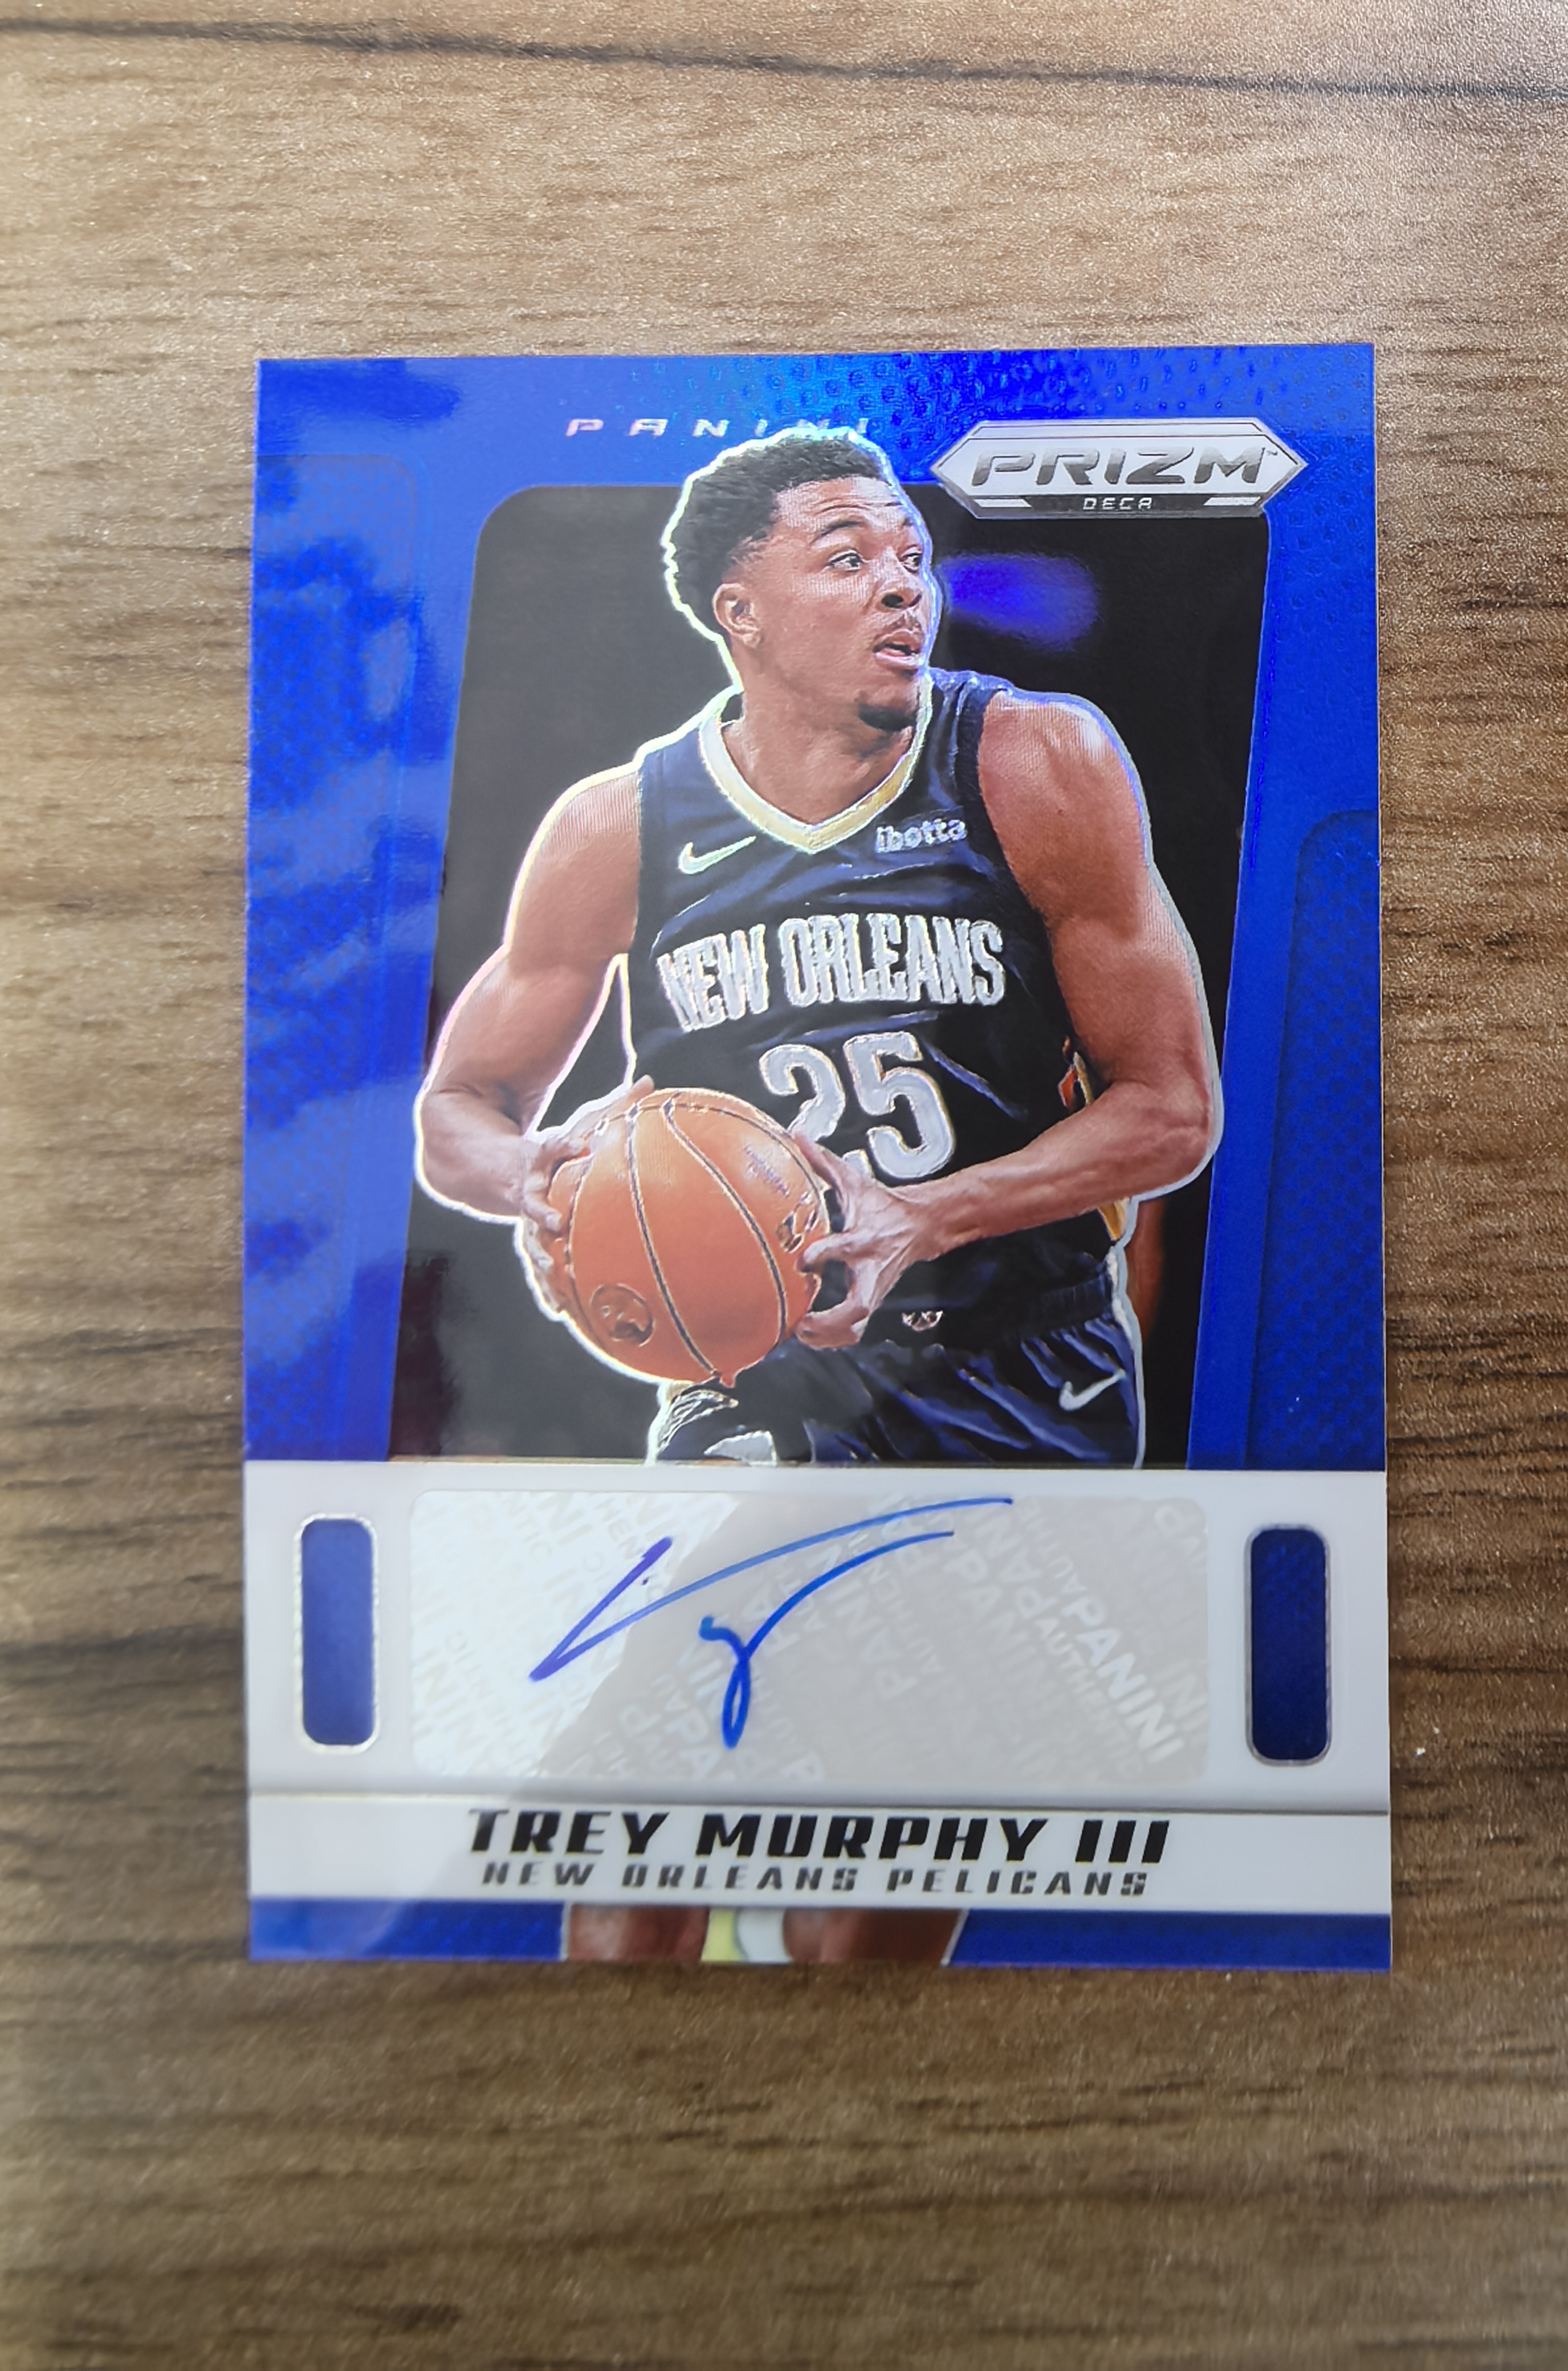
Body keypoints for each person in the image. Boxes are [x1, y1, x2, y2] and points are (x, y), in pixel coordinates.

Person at [414, 427, 1220, 1962]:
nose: (902, 585)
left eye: (911, 556)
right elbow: (459, 1111)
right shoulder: (622, 825)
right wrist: (542, 1177)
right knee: (641, 1818)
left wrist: (933, 1211)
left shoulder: (1034, 763)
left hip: (1015, 1364)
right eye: (846, 558)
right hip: (766, 1370)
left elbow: (1172, 1108)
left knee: (869, 1894)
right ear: (741, 609)